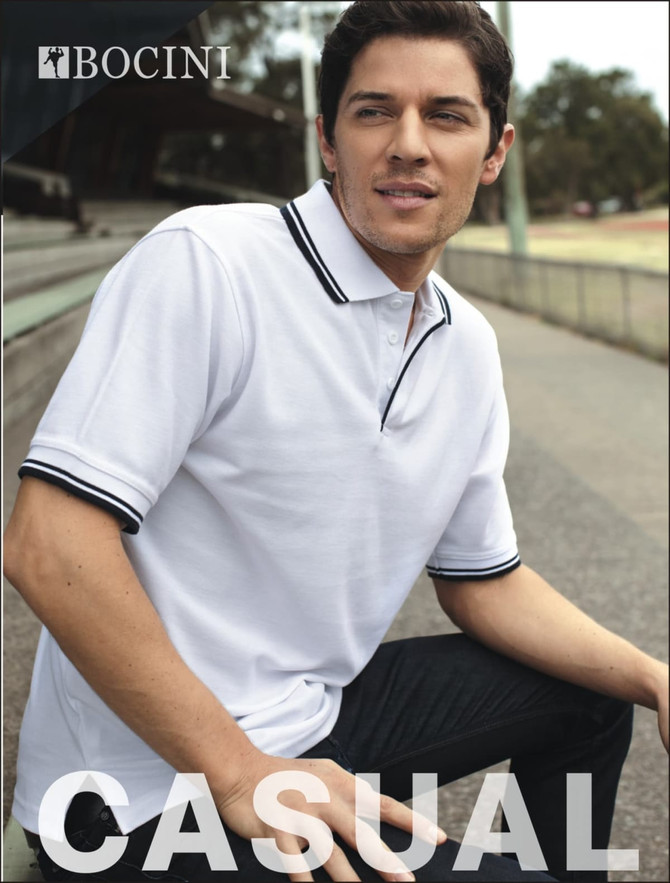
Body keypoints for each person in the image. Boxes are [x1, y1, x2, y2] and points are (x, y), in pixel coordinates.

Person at [4, 2, 667, 881]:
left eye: (447, 115)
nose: (408, 143)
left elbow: (485, 582)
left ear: (495, 152)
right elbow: (47, 546)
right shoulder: (209, 262)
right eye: (373, 111)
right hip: (133, 797)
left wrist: (656, 676)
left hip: (309, 725)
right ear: (328, 139)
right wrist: (241, 773)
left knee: (596, 694)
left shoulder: (463, 342)